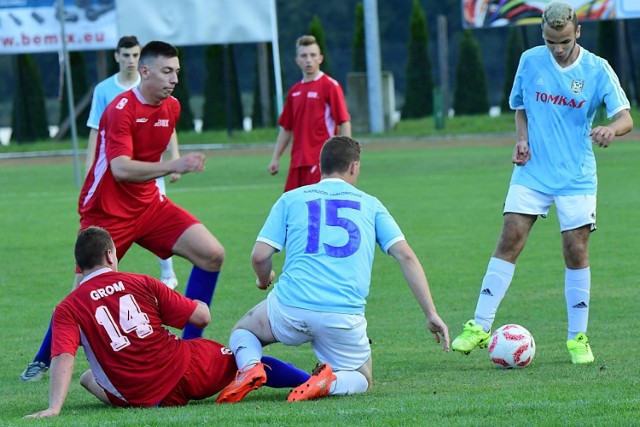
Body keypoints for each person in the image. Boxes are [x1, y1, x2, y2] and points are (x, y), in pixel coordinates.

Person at [20, 41, 225, 382]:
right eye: (166, 71)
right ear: (144, 71)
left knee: (212, 254)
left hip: (148, 204)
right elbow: (120, 169)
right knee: (81, 295)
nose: (174, 78)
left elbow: (149, 155)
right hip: (107, 212)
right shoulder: (120, 109)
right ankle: (42, 359)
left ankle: (190, 347)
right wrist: (174, 164)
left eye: (177, 72)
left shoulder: (172, 107)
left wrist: (171, 164)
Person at [450, 1, 633, 364]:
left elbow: (625, 118)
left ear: (578, 31)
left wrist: (611, 129)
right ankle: (480, 325)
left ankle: (577, 338)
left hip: (576, 175)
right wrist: (522, 139)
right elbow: (521, 107)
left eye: (563, 40)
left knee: (575, 250)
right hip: (532, 169)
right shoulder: (530, 60)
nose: (558, 48)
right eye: (551, 41)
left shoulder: (598, 70)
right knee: (510, 238)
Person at [215, 136, 450, 404]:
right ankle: (330, 382)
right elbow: (406, 256)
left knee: (243, 332)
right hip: (342, 316)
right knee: (362, 377)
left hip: (291, 307)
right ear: (354, 167)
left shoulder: (291, 198)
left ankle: (249, 368)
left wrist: (264, 278)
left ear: (320, 165)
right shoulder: (371, 204)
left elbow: (259, 256)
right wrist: (430, 313)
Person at [24, 227, 311, 418]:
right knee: (246, 362)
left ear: (80, 264)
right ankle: (312, 383)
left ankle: (139, 394)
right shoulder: (141, 281)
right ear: (110, 254)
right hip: (185, 370)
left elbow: (63, 356)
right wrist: (196, 303)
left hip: (138, 396)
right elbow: (202, 317)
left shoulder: (67, 307)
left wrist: (54, 408)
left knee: (89, 377)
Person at [85, 35, 179, 290]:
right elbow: (96, 130)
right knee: (92, 277)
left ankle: (168, 274)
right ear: (117, 57)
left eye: (135, 55)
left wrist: (175, 157)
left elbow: (168, 125)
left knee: (208, 251)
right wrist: (89, 167)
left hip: (149, 180)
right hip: (115, 187)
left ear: (142, 61)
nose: (130, 60)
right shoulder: (106, 91)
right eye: (126, 55)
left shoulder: (161, 92)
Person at [269, 35, 351, 192]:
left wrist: (346, 155)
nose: (308, 60)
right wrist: (276, 158)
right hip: (297, 163)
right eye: (304, 55)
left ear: (320, 58)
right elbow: (286, 129)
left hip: (321, 161)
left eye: (313, 55)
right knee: (292, 210)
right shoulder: (294, 92)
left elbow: (344, 121)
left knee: (316, 210)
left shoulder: (330, 86)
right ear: (297, 60)